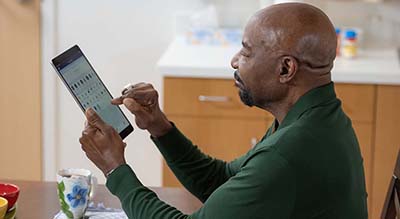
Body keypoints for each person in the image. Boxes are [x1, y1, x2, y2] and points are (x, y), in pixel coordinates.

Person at [79, 3, 368, 219]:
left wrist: (114, 168)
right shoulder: (317, 116)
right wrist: (159, 126)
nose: (234, 61)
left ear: (285, 69)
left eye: (246, 52)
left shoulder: (287, 155)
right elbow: (220, 181)